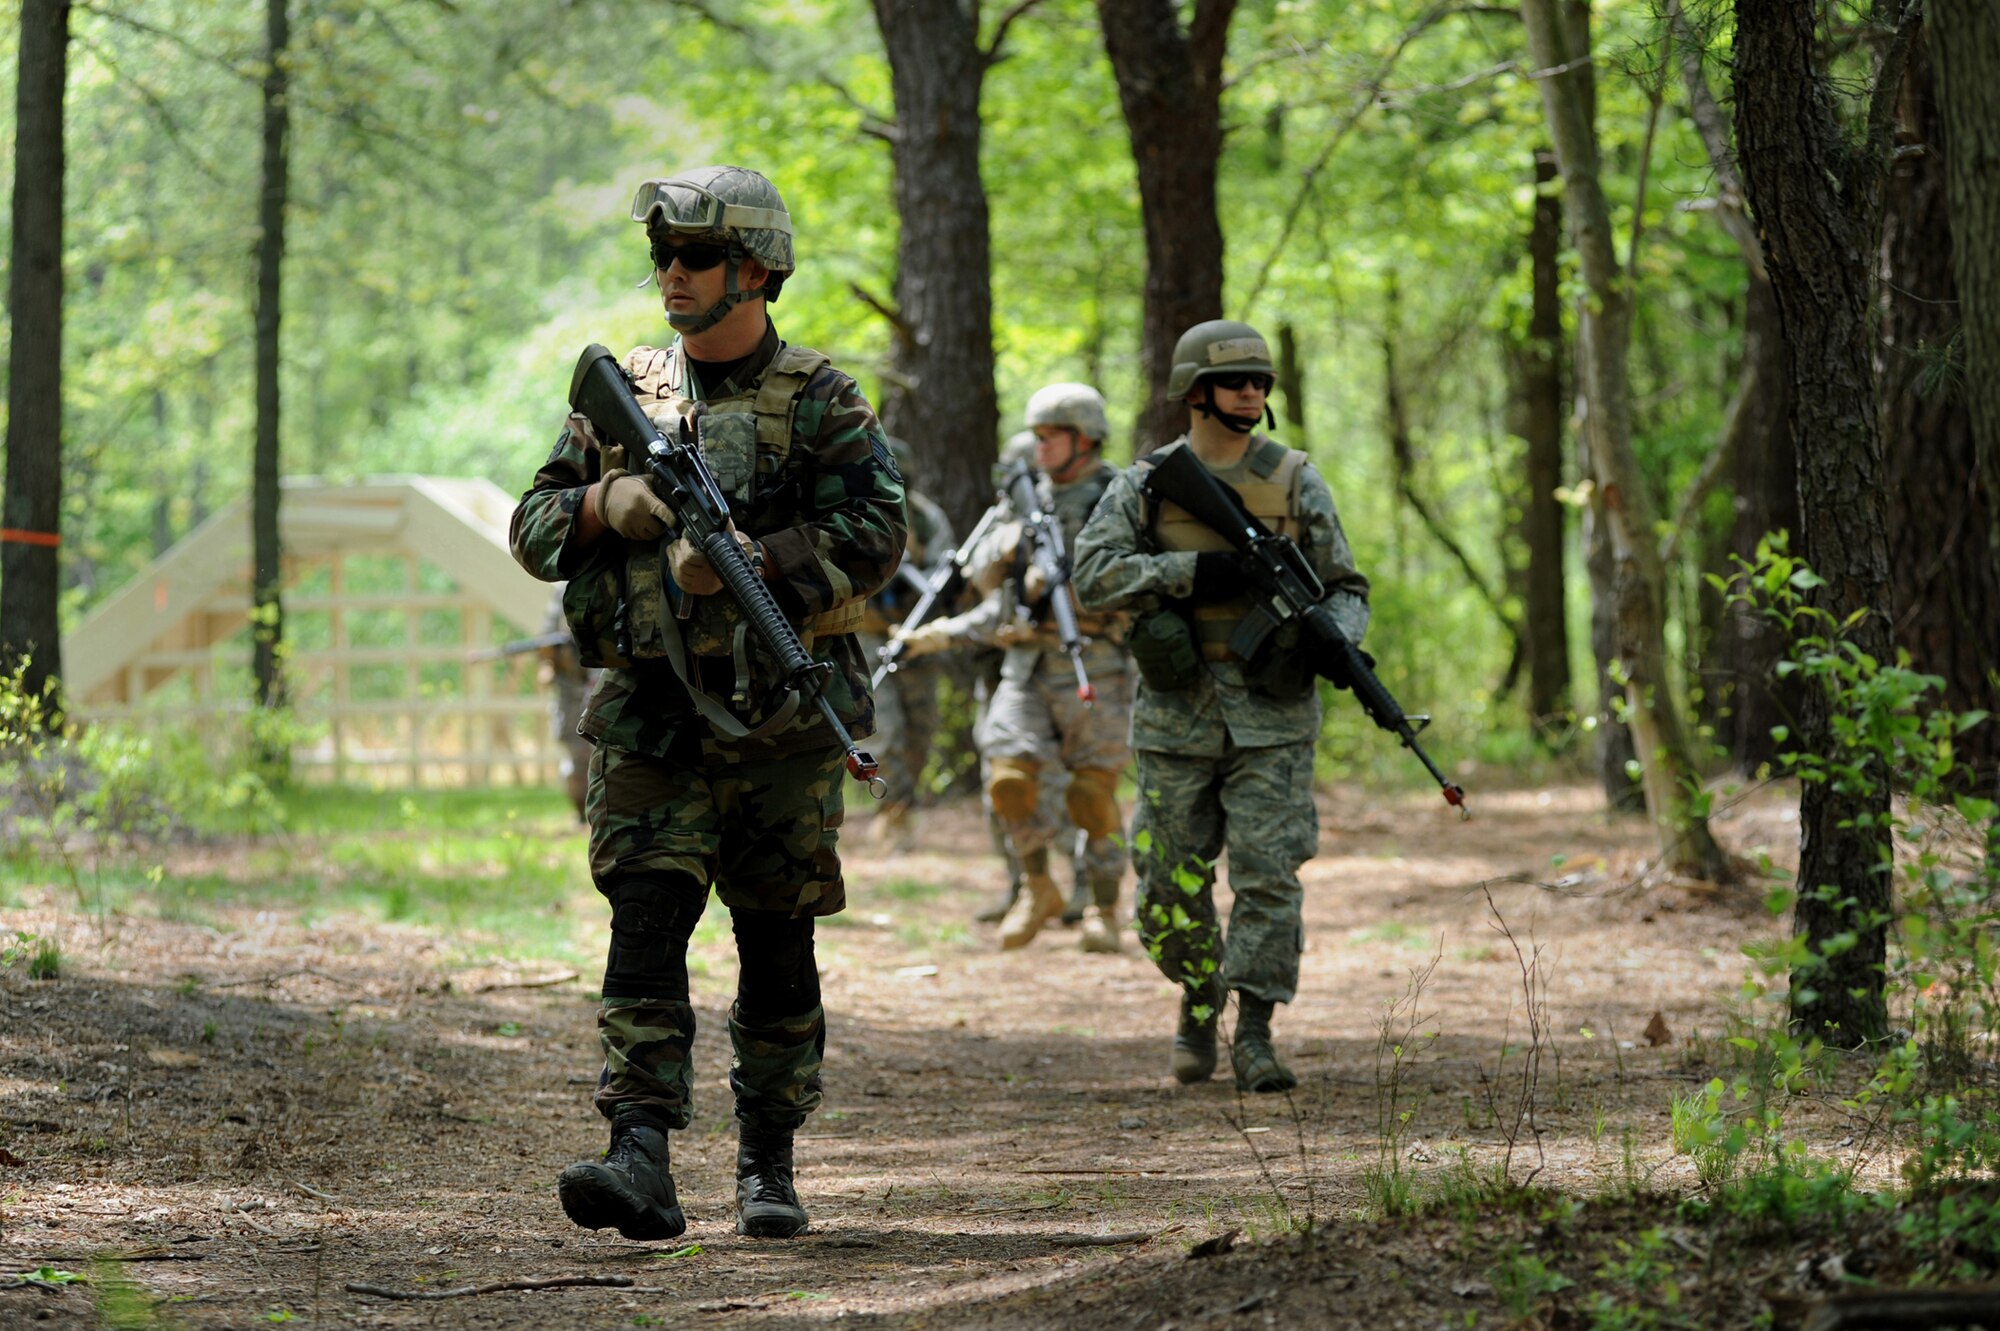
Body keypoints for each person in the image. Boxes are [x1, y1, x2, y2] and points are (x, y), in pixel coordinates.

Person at [509, 165, 906, 1241]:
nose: (670, 276)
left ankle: (766, 1159)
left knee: (776, 940)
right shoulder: (627, 392)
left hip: (781, 723)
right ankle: (638, 1150)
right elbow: (533, 530)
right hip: (651, 713)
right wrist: (608, 501)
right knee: (644, 916)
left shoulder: (822, 397)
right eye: (661, 257)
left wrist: (755, 560)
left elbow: (878, 536)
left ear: (757, 271)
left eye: (694, 258)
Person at [1072, 319, 1370, 1093]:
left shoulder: (1296, 478)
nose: (1252, 392)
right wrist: (1190, 572)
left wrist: (1333, 640)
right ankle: (1199, 995)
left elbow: (1346, 585)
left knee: (1270, 876)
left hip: (1274, 719)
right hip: (1177, 718)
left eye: (1261, 381)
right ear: (1195, 390)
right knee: (1169, 882)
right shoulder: (1146, 482)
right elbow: (1094, 575)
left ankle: (1258, 1029)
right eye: (1237, 380)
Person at [894, 388, 1132, 954]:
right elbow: (995, 601)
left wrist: (1083, 597)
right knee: (1008, 780)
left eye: (1050, 435)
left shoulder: (1120, 499)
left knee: (1092, 796)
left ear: (1084, 438)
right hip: (1025, 665)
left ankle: (1103, 907)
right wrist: (928, 637)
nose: (1038, 446)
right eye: (1039, 435)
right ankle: (1038, 887)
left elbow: (1143, 581)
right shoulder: (1022, 503)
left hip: (1097, 662)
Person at [857, 438, 953, 849]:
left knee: (919, 730)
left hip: (914, 635)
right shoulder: (857, 510)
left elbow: (944, 576)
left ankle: (905, 808)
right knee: (883, 730)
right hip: (868, 633)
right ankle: (891, 811)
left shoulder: (927, 519)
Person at [537, 585, 600, 822]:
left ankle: (597, 815)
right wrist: (553, 657)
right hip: (570, 687)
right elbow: (546, 639)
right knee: (575, 759)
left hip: (598, 679)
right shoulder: (562, 591)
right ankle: (581, 815)